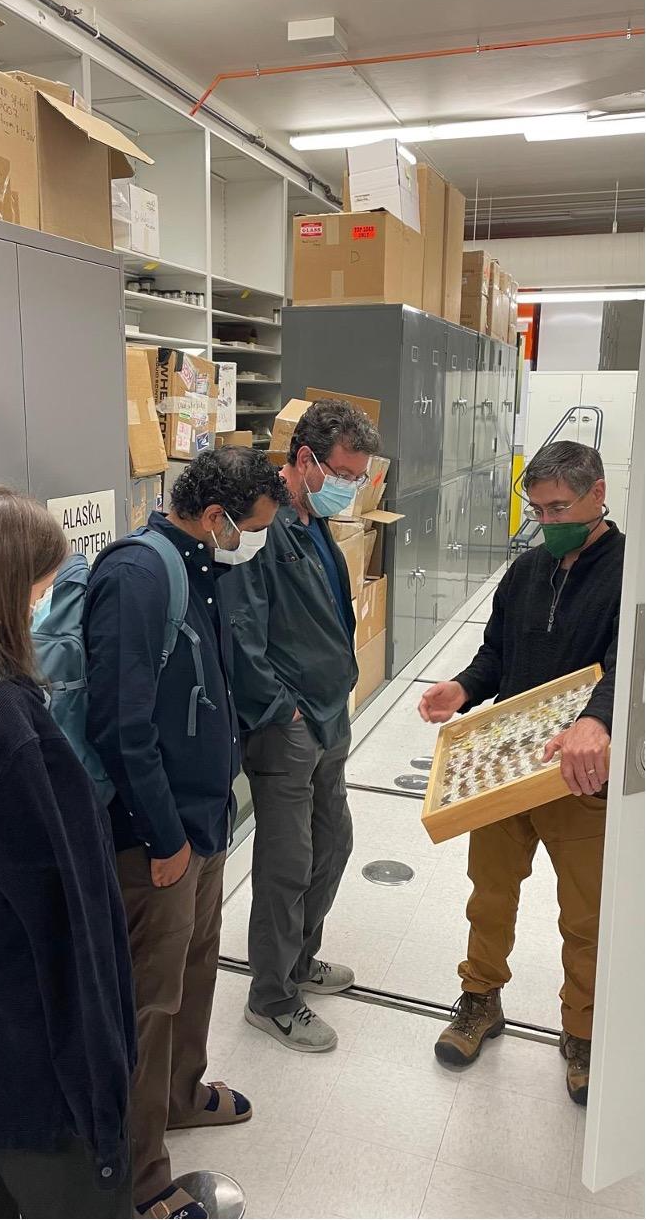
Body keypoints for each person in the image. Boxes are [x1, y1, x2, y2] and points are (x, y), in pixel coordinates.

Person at [84, 447, 290, 1219]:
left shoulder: (202, 568)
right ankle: (139, 1178)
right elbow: (120, 724)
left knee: (196, 972)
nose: (254, 542)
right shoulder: (138, 576)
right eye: (252, 529)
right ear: (214, 517)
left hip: (205, 822)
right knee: (150, 999)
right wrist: (163, 837)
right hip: (156, 841)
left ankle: (180, 1095)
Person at [0, 485, 135, 1220]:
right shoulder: (4, 727)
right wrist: (106, 1093)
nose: (44, 607)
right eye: (41, 590)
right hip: (31, 1072)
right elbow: (71, 927)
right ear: (1, 595)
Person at [418, 441, 624, 1105]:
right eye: (538, 509)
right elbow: (496, 654)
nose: (547, 521)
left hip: (579, 776)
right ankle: (480, 999)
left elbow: (630, 663)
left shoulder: (631, 572)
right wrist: (462, 689)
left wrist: (597, 720)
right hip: (506, 766)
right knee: (489, 895)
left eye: (559, 507)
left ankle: (583, 1030)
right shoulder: (527, 570)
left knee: (586, 915)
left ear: (598, 494)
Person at [222, 398, 381, 1053]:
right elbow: (241, 628)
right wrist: (280, 708)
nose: (353, 486)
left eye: (360, 476)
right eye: (343, 472)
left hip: (328, 712)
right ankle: (271, 997)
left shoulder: (316, 521)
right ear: (306, 458)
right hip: (288, 723)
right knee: (287, 863)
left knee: (333, 842)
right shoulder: (262, 522)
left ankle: (298, 959)